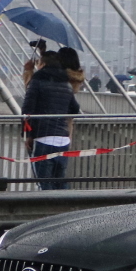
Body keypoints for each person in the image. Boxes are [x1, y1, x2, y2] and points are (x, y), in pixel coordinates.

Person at [22, 51, 79, 190]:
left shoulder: (37, 81)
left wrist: (28, 135)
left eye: (39, 63)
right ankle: (65, 207)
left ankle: (47, 209)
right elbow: (75, 108)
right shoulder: (66, 84)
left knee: (44, 182)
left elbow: (27, 110)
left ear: (44, 64)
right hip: (63, 139)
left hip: (43, 138)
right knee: (60, 181)